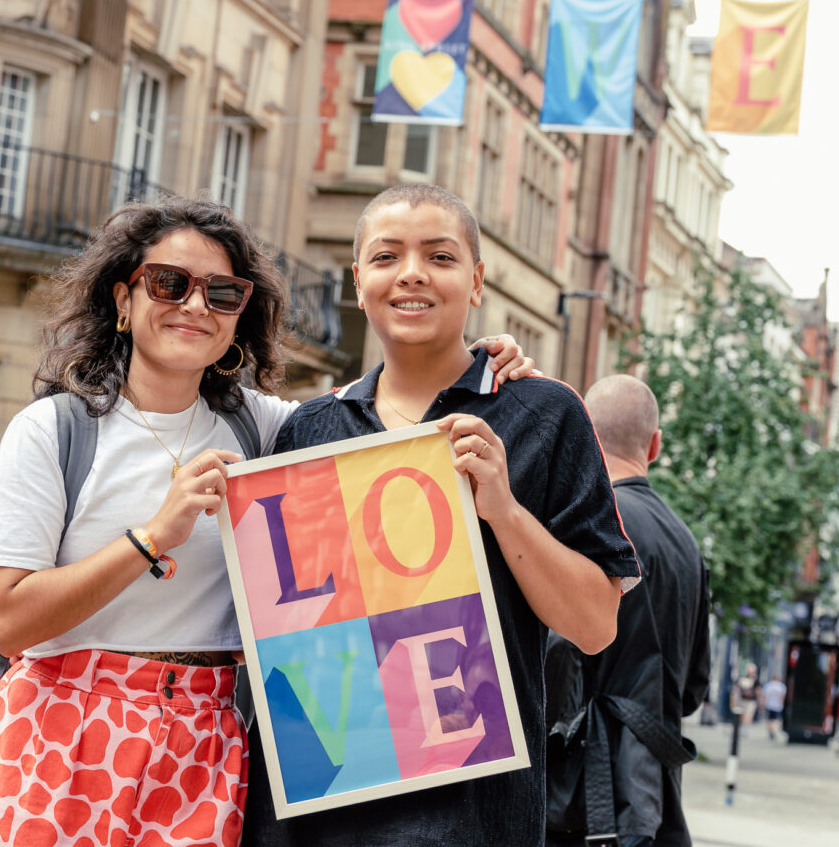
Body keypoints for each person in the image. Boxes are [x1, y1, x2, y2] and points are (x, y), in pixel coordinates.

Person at [0, 197, 536, 846]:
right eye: (169, 283)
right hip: (63, 734)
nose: (196, 305)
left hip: (202, 746)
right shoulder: (54, 431)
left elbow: (381, 416)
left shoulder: (266, 428)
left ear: (241, 314)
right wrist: (152, 538)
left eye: (223, 293)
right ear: (124, 298)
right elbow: (7, 621)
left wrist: (479, 360)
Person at [243, 183, 639, 847]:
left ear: (477, 282)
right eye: (387, 256)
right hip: (322, 814)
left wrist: (504, 512)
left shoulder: (544, 416)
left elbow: (595, 624)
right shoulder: (310, 429)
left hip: (476, 818)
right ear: (360, 281)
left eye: (440, 256)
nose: (412, 274)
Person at [543, 374, 712, 847]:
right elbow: (694, 688)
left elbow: (554, 664)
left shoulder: (579, 523)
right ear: (654, 445)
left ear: (585, 437)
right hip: (651, 802)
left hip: (575, 800)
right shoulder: (686, 543)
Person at [763, 673, 788, 742]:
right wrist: (782, 704)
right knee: (776, 719)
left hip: (769, 705)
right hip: (777, 706)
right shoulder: (781, 686)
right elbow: (783, 697)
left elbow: (765, 696)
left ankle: (771, 731)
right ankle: (773, 730)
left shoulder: (768, 685)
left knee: (769, 719)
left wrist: (763, 704)